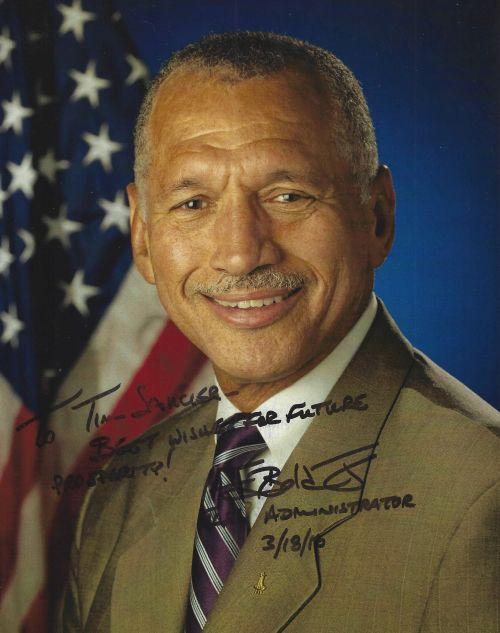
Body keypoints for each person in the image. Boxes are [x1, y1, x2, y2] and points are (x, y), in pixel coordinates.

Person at [60, 32, 499, 633]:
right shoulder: (122, 492)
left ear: (376, 217)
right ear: (142, 235)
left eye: (288, 196)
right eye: (193, 203)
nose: (240, 254)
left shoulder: (481, 496)